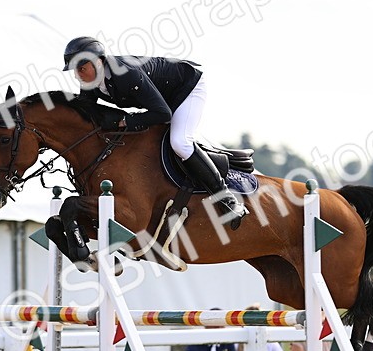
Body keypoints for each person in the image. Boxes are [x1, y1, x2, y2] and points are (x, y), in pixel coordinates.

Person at [62, 36, 248, 228]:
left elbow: (162, 113)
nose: (77, 75)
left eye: (81, 69)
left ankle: (226, 198)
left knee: (180, 143)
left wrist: (124, 120)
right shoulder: (91, 81)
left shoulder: (126, 74)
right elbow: (84, 113)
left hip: (186, 88)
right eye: (75, 70)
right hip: (160, 98)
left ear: (98, 62)